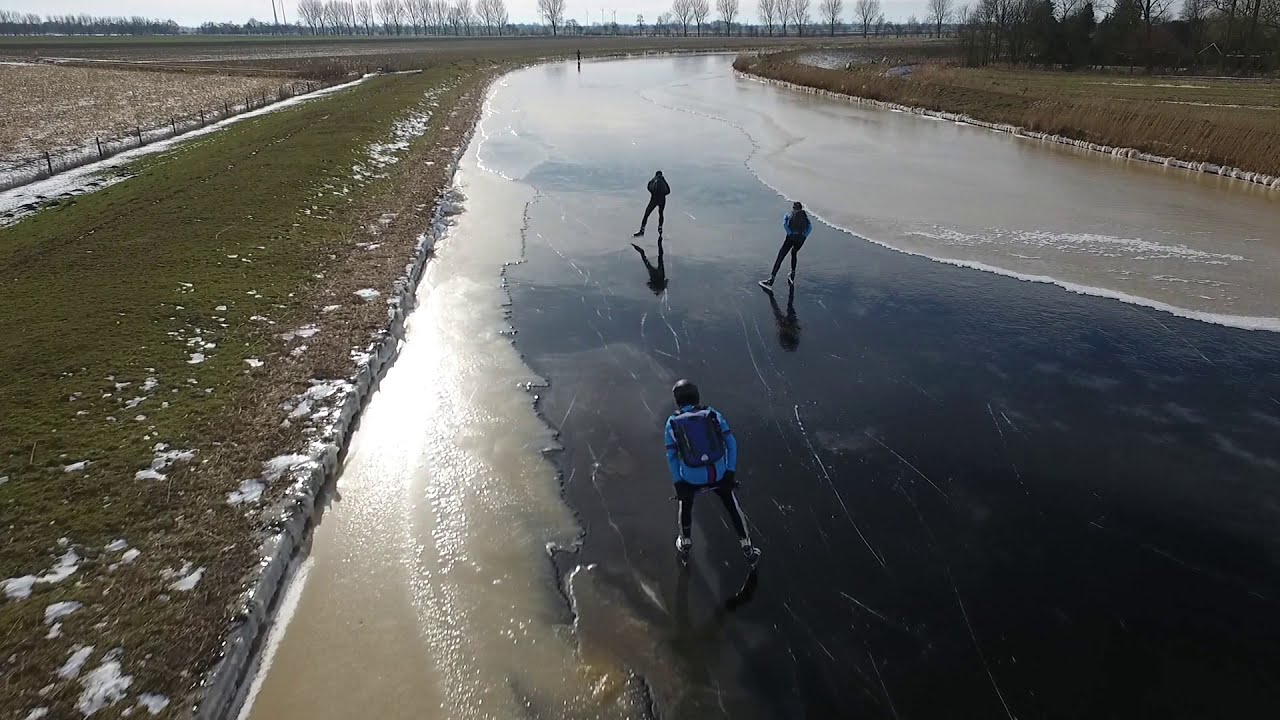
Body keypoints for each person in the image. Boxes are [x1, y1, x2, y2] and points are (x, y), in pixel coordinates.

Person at [664, 379, 760, 565]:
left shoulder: (672, 422)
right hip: (718, 473)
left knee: (686, 505)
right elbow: (731, 443)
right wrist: (729, 472)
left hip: (691, 478)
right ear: (697, 396)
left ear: (678, 401)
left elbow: (672, 457)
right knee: (731, 505)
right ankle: (747, 547)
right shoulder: (712, 414)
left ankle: (685, 544)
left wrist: (679, 484)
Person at [760, 201, 812, 290]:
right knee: (794, 253)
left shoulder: (790, 215)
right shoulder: (805, 218)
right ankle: (792, 274)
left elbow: (785, 224)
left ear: (794, 208)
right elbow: (810, 227)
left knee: (781, 256)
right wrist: (803, 236)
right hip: (800, 240)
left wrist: (790, 233)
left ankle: (771, 279)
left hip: (790, 238)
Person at [634, 171, 670, 237]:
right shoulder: (664, 181)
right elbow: (668, 191)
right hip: (662, 200)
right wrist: (662, 194)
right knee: (661, 213)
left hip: (654, 199)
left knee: (646, 214)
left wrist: (653, 193)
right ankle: (660, 227)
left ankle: (642, 230)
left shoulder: (654, 180)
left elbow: (649, 187)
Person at [768, 282, 801, 351]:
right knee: (788, 307)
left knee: (779, 310)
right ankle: (771, 297)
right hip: (790, 324)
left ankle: (771, 296)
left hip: (787, 325)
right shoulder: (790, 332)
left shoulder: (785, 332)